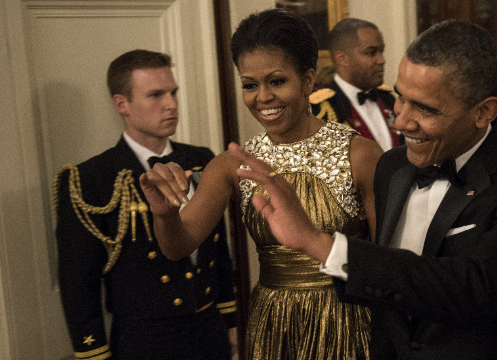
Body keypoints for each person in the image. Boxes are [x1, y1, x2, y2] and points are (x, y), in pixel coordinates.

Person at [230, 20, 497, 360]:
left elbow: (470, 289)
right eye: (400, 98)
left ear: (484, 112)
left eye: (424, 108)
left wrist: (318, 242)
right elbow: (387, 284)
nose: (400, 121)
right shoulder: (394, 167)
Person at [140, 9, 383, 360]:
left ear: (308, 80)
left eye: (277, 81)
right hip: (273, 325)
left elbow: (386, 263)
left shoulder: (360, 154)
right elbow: (177, 247)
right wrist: (163, 214)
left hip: (349, 319)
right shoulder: (230, 164)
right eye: (250, 85)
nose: (262, 97)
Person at [54, 49, 237, 360]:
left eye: (173, 92)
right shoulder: (91, 179)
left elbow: (217, 250)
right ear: (121, 104)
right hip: (145, 342)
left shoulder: (200, 159)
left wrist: (230, 321)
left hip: (209, 332)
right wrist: (94, 354)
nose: (172, 104)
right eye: (156, 95)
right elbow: (78, 283)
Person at [310, 18, 400, 151]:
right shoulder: (320, 110)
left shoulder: (388, 98)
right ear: (342, 58)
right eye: (371, 52)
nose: (381, 60)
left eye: (381, 51)